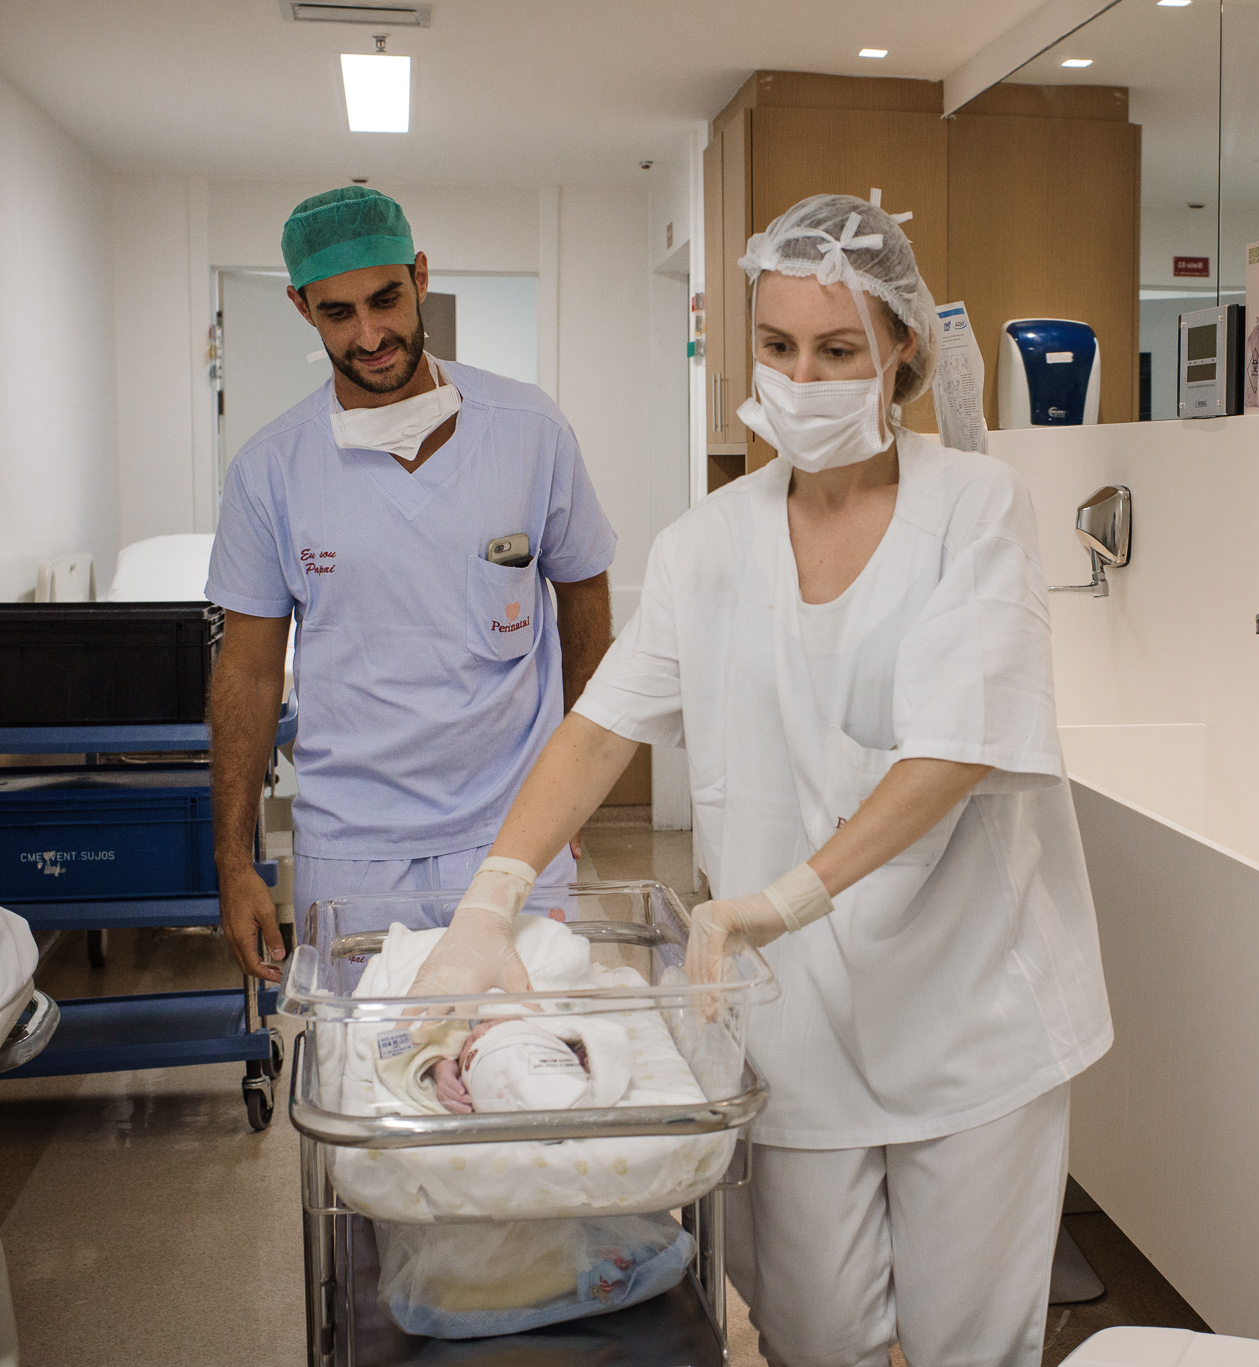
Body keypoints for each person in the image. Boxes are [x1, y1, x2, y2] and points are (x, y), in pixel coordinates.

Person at [417, 191, 1112, 1365]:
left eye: (838, 350)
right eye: (779, 347)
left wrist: (781, 897)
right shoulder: (708, 544)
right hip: (789, 1024)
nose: (802, 377)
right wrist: (493, 894)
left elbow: (954, 745)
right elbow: (597, 728)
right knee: (811, 1332)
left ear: (898, 347)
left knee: (965, 1344)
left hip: (972, 1010)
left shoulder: (973, 509)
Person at [206, 186, 617, 986]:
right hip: (354, 851)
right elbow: (249, 671)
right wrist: (233, 855)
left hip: (516, 831)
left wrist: (577, 787)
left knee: (519, 1070)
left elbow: (587, 610)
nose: (370, 335)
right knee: (370, 1083)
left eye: (387, 299)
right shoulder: (271, 470)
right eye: (338, 314)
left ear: (421, 275)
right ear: (301, 308)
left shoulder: (530, 431)